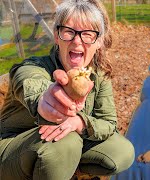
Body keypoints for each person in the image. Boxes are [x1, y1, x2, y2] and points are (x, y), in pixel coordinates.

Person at [0, 0, 134, 179]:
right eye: (69, 32)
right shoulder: (35, 67)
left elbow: (109, 123)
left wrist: (80, 122)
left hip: (62, 145)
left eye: (87, 34)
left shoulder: (98, 76)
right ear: (57, 35)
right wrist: (44, 100)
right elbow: (26, 79)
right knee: (67, 142)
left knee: (122, 150)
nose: (77, 41)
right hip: (13, 152)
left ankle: (65, 166)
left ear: (99, 41)